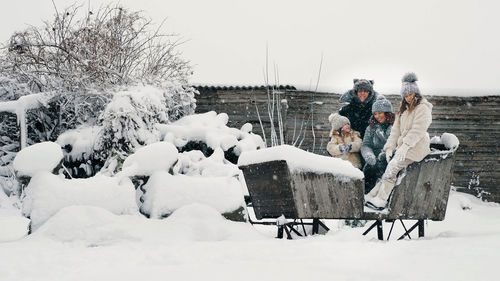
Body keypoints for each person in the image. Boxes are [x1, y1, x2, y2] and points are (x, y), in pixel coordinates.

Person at [365, 73, 433, 210]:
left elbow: (418, 130)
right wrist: (389, 147)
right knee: (390, 167)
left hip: (416, 147)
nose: (408, 97)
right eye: (405, 95)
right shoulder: (404, 110)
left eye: (410, 94)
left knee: (392, 167)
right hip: (404, 148)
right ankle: (373, 195)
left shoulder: (423, 108)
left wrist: (406, 145)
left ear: (416, 93)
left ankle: (381, 200)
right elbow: (395, 131)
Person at [360, 99, 395, 194]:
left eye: (380, 113)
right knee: (369, 169)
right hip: (375, 158)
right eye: (375, 114)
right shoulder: (371, 128)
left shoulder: (397, 126)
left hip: (391, 157)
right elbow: (366, 145)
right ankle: (366, 195)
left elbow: (399, 143)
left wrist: (387, 154)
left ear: (387, 113)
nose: (377, 116)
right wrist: (369, 155)